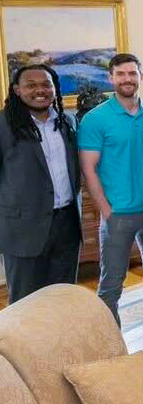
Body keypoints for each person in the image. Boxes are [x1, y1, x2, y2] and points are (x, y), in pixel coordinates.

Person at [78, 53, 143, 357]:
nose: (127, 79)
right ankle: (112, 351)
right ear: (111, 78)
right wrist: (106, 210)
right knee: (111, 286)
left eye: (132, 73)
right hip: (118, 216)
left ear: (141, 76)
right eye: (121, 74)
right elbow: (89, 169)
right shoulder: (95, 119)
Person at [0, 65, 82, 303]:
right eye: (31, 85)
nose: (40, 90)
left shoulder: (67, 121)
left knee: (63, 298)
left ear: (54, 88)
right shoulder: (4, 125)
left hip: (67, 224)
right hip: (23, 229)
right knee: (26, 303)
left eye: (46, 84)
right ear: (17, 90)